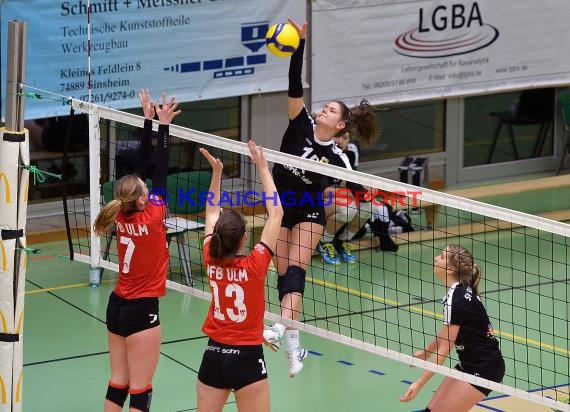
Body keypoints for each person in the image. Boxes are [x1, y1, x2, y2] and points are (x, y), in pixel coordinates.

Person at [263, 18, 380, 377]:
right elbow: (293, 83)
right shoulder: (299, 122)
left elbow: (359, 190)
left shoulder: (340, 158)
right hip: (282, 208)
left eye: (331, 110)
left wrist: (357, 195)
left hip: (310, 212)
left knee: (297, 271)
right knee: (284, 280)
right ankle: (295, 351)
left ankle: (280, 329)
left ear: (341, 125)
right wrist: (298, 43)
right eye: (324, 107)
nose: (323, 110)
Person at [93, 90, 180, 412]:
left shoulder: (121, 213)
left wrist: (149, 123)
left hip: (117, 305)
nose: (147, 186)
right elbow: (159, 169)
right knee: (141, 390)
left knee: (119, 384)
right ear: (142, 199)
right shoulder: (154, 214)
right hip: (142, 310)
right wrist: (164, 127)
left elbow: (142, 173)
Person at [196, 141, 283, 412]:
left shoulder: (210, 253)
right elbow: (276, 213)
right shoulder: (255, 264)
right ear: (245, 238)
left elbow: (211, 210)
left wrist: (217, 173)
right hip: (246, 357)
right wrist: (263, 167)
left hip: (213, 356)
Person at [400, 245, 505, 412]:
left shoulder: (456, 299)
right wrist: (427, 352)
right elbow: (448, 333)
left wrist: (419, 384)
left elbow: (445, 348)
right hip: (471, 364)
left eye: (441, 256)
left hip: (484, 369)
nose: (435, 258)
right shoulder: (460, 289)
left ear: (449, 269)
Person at [317, 132, 395, 265]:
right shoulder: (321, 154)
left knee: (371, 207)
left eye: (345, 138)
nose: (341, 141)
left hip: (340, 195)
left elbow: (351, 182)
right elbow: (324, 192)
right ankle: (325, 242)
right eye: (337, 136)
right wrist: (352, 193)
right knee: (348, 208)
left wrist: (366, 189)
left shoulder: (351, 153)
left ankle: (342, 241)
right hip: (315, 200)